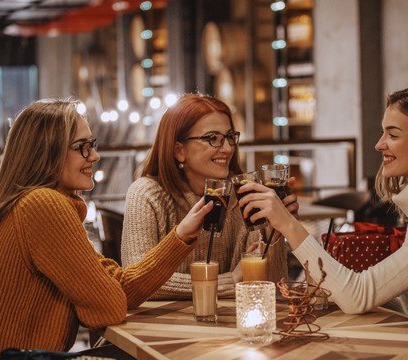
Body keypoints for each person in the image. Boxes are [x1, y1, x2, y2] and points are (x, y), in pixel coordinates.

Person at [0, 97, 213, 360]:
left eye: (93, 144)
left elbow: (120, 286)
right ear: (46, 153)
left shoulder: (35, 204)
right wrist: (97, 296)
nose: (94, 156)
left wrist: (180, 235)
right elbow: (109, 307)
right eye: (81, 147)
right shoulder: (42, 206)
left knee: (161, 357)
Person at [238, 85, 408, 345]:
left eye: (392, 134)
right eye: (383, 133)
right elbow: (404, 302)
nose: (379, 144)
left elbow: (358, 296)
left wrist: (288, 224)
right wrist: (335, 283)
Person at [121, 93, 298, 299]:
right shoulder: (146, 195)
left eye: (230, 137)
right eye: (213, 138)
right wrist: (229, 281)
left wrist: (274, 231)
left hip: (231, 325)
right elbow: (136, 281)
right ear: (179, 150)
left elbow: (272, 287)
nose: (228, 148)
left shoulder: (245, 193)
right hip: (161, 327)